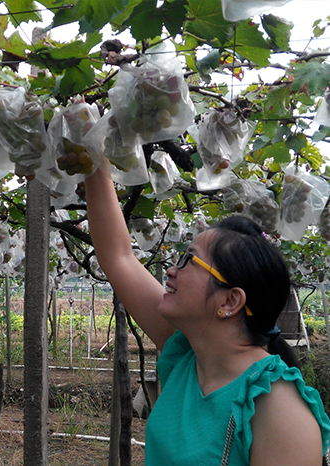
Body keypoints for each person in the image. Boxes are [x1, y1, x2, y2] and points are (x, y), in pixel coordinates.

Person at [84, 158, 330, 466]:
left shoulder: (279, 408)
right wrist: (94, 156)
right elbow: (119, 256)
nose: (172, 270)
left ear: (230, 302)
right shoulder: (187, 355)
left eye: (189, 260)